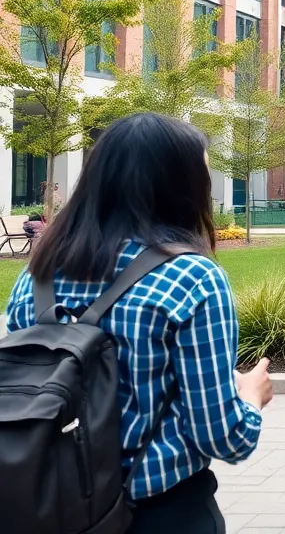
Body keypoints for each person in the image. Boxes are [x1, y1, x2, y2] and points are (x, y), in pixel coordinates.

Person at [5, 112, 270, 531]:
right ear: (179, 187)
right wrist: (252, 396)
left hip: (50, 504)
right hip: (160, 512)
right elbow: (223, 437)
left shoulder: (35, 277)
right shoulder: (192, 277)